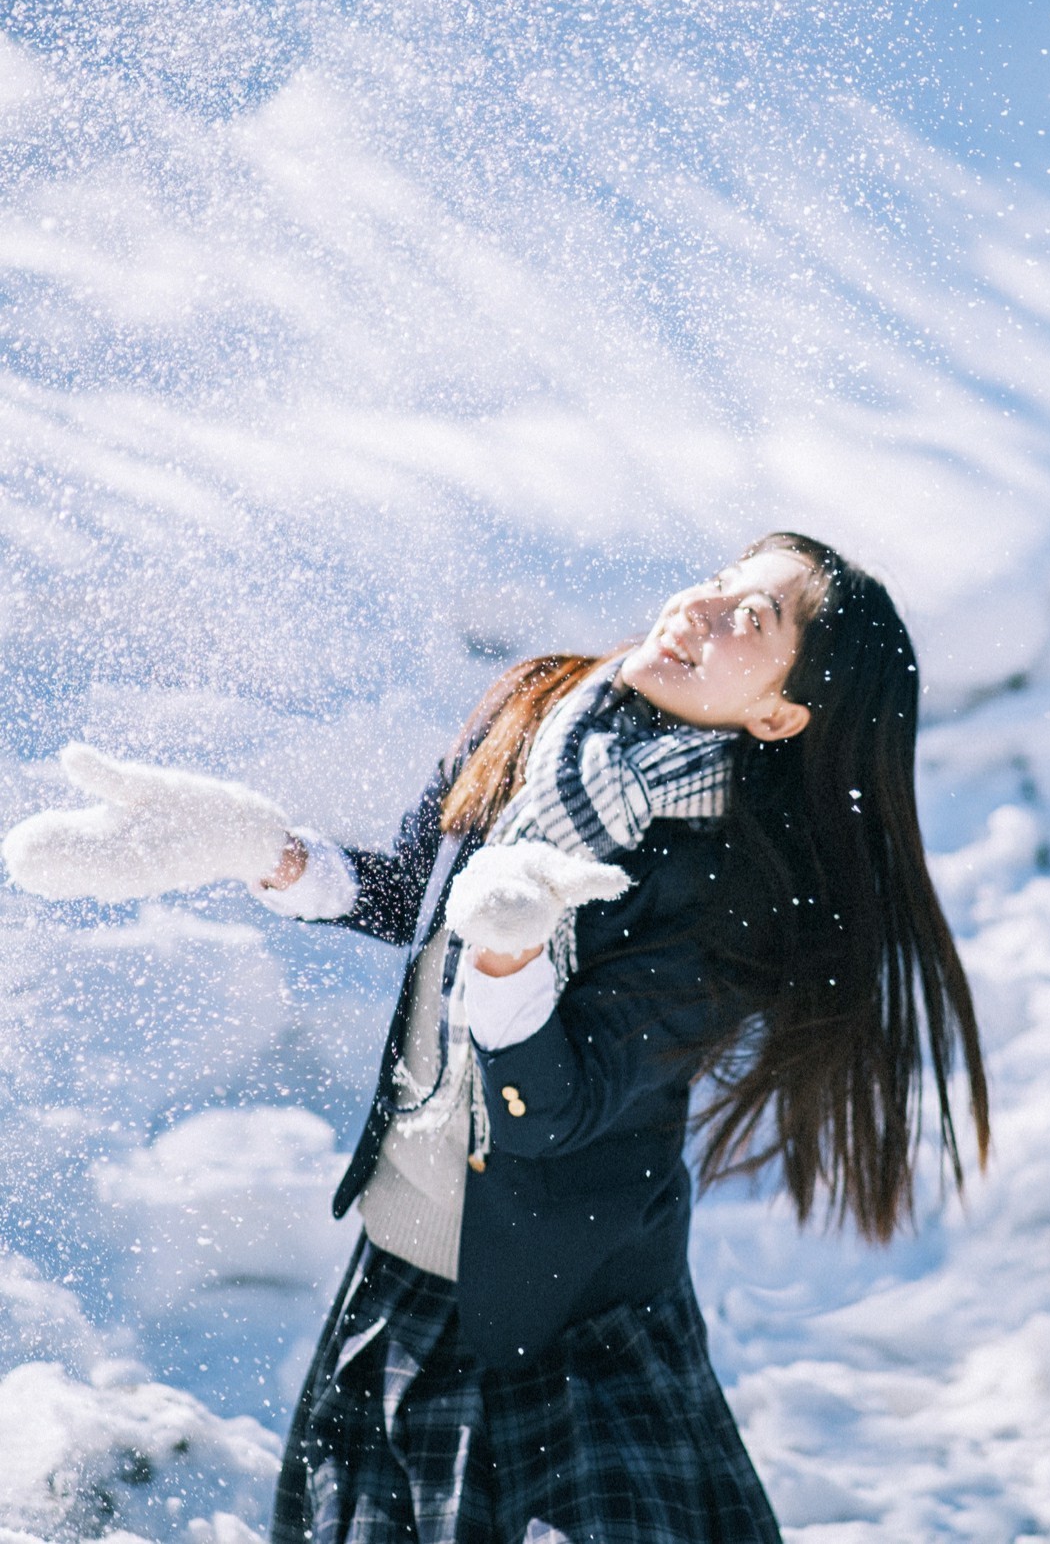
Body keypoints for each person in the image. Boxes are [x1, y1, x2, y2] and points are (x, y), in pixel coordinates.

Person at [2, 530, 989, 1544]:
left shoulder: (721, 881)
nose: (701, 605)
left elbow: (560, 1104)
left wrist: (511, 963)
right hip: (396, 1275)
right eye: (719, 580)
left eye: (752, 617)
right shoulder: (537, 712)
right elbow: (413, 895)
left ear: (779, 714)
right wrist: (263, 847)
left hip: (565, 1326)